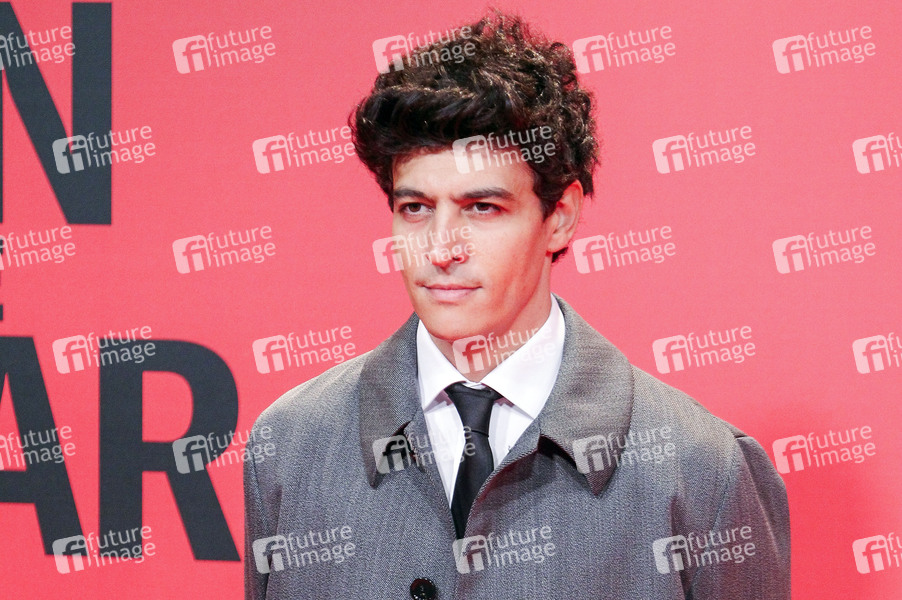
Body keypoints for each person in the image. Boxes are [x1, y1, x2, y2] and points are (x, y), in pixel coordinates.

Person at [245, 11, 790, 599]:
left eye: (482, 208)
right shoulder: (291, 444)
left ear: (560, 216)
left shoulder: (704, 469)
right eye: (416, 208)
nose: (441, 249)